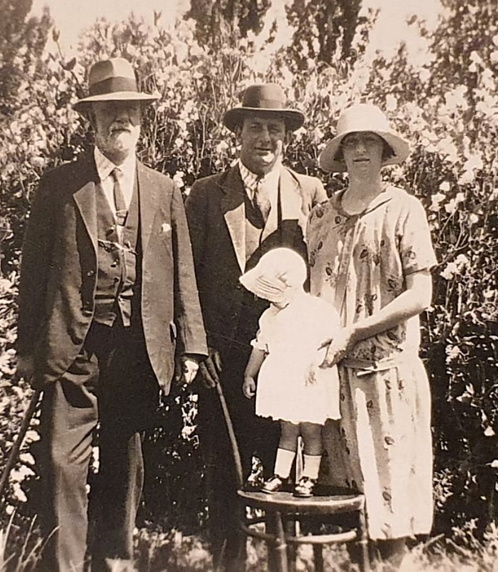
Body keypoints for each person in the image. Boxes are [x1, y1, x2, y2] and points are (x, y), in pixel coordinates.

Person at [16, 58, 207, 572]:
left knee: (124, 461)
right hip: (70, 348)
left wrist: (191, 346)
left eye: (127, 110)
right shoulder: (58, 187)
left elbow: (180, 273)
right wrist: (26, 348)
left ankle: (114, 561)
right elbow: (32, 272)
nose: (118, 119)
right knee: (62, 463)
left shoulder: (164, 191)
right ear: (92, 120)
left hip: (138, 347)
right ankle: (65, 564)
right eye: (108, 110)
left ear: (142, 120)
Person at [185, 84, 326, 569]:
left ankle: (283, 562)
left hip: (288, 356)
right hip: (224, 356)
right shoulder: (206, 194)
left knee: (283, 462)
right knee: (226, 463)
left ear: (286, 135)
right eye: (255, 127)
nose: (265, 137)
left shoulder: (309, 192)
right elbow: (188, 278)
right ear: (238, 133)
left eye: (275, 128)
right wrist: (197, 348)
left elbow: (321, 277)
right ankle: (229, 562)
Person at [307, 103, 437, 570]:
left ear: (385, 152)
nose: (361, 150)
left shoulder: (405, 210)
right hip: (331, 383)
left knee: (391, 515)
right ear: (341, 154)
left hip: (385, 378)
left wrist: (358, 330)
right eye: (352, 142)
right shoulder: (321, 216)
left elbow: (421, 293)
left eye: (370, 142)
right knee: (347, 510)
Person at [239, 248, 340, 498]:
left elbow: (329, 341)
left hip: (307, 381)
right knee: (287, 430)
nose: (270, 299)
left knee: (310, 430)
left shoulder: (316, 310)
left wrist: (316, 364)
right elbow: (260, 346)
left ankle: (309, 477)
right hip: (283, 382)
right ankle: (280, 474)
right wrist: (249, 375)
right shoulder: (269, 316)